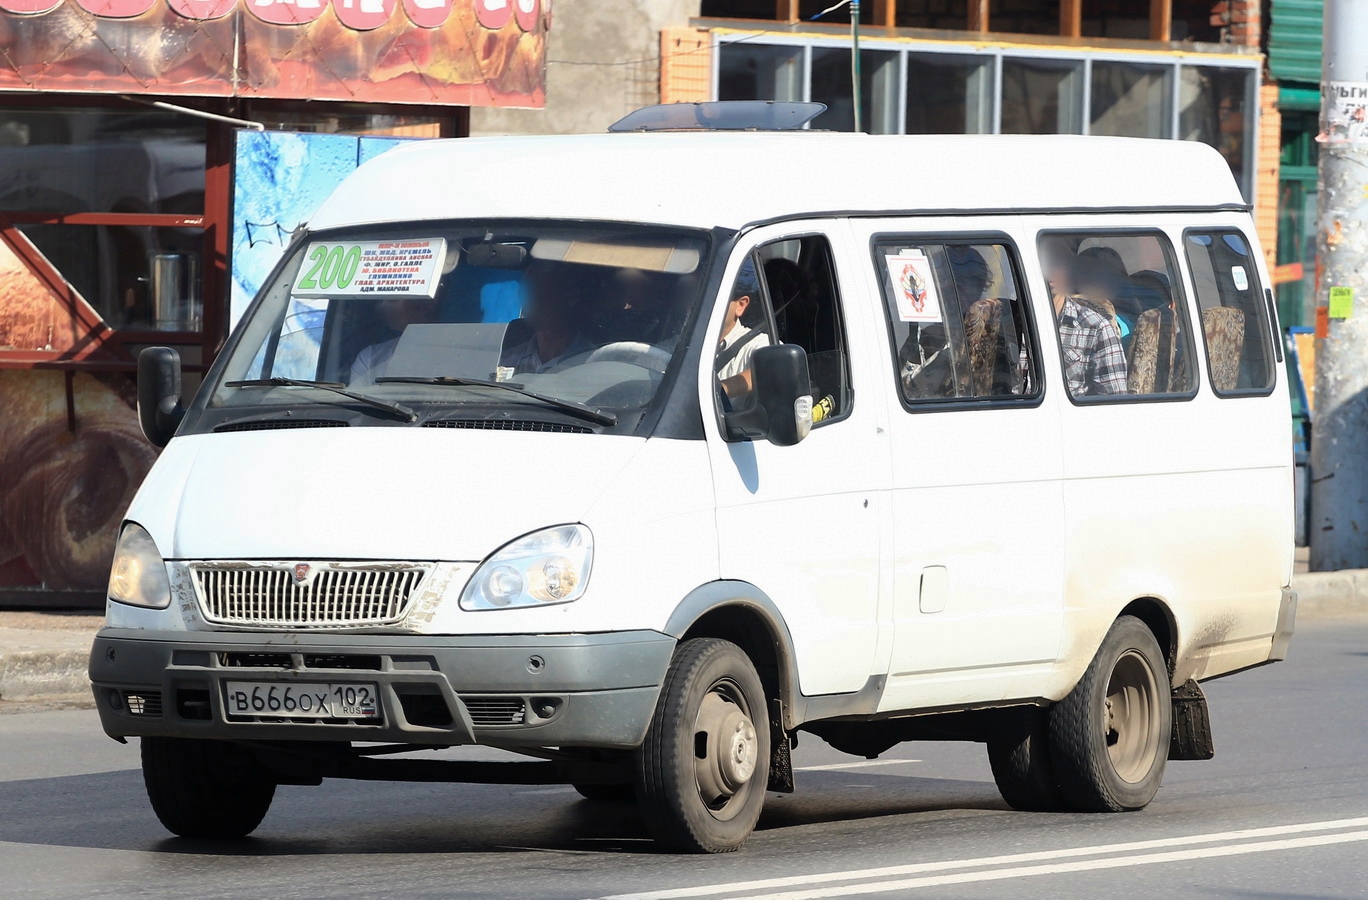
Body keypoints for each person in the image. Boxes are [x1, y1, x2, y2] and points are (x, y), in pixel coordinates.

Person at [1043, 243, 1128, 396]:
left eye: (1058, 262)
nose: (1051, 270)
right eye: (1043, 261)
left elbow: (1115, 403)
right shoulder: (1004, 321)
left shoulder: (1096, 327)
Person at [500, 262, 596, 376]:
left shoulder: (593, 363)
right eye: (527, 294)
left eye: (542, 292)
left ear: (571, 296)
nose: (531, 302)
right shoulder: (505, 362)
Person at [349, 295, 440, 388]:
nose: (384, 305)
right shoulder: (370, 358)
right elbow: (354, 400)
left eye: (393, 300)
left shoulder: (451, 353)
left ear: (427, 305)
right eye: (383, 301)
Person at [715, 259, 770, 401]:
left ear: (740, 305)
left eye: (714, 298)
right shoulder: (676, 343)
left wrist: (717, 391)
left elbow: (773, 369)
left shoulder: (756, 344)